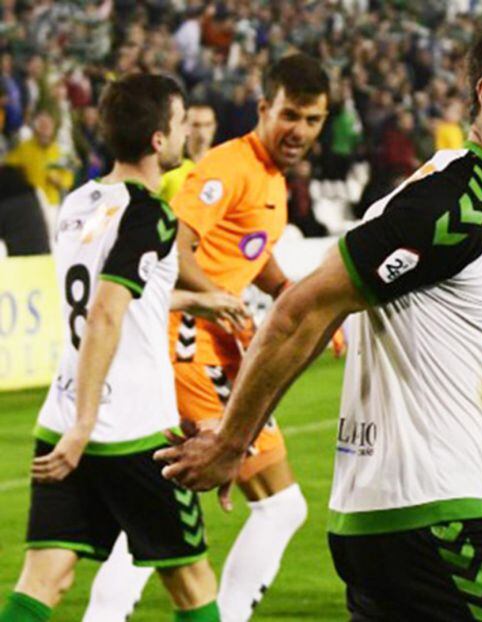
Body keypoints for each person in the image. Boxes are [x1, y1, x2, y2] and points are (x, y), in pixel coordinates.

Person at [155, 9, 482, 619]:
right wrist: (233, 440)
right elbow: (302, 310)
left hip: (383, 525)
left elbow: (320, 309)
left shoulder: (460, 197)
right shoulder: (457, 201)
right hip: (430, 523)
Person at [85, 54, 328, 622]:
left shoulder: (268, 178)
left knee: (167, 500)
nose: (301, 131)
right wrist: (217, 299)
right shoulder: (228, 168)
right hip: (185, 344)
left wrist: (293, 293)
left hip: (196, 346)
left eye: (314, 120)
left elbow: (251, 252)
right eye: (290, 114)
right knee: (276, 504)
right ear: (265, 107)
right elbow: (175, 244)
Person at [0, 73, 245, 622]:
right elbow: (108, 310)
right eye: (181, 123)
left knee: (46, 579)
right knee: (190, 581)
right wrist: (89, 422)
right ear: (159, 140)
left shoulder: (79, 204)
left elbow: (109, 293)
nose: (186, 133)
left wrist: (185, 300)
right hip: (132, 433)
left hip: (59, 419)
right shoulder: (150, 214)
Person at [4, 109, 74, 207]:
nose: (44, 129)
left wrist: (59, 181)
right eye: (41, 125)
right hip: (29, 205)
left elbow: (68, 178)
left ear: (53, 128)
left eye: (47, 125)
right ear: (35, 128)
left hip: (51, 204)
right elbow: (7, 166)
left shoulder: (60, 151)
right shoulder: (24, 148)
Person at [158, 103, 218, 203]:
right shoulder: (170, 168)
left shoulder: (224, 166)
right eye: (196, 125)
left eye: (208, 125)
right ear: (185, 127)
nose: (202, 132)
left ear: (215, 126)